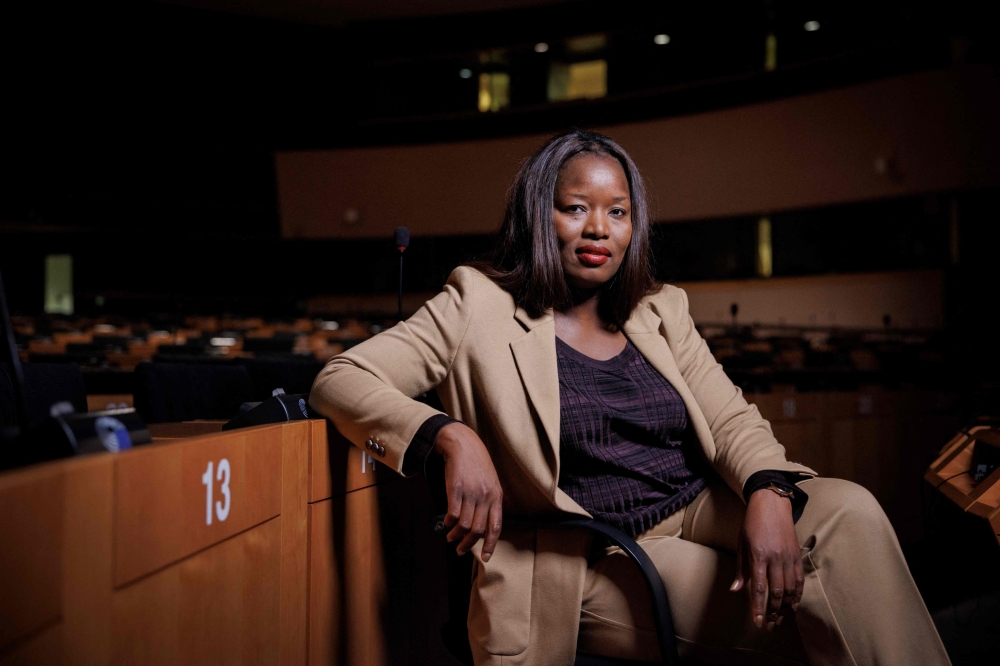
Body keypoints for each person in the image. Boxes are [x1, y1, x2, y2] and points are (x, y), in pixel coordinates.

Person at [309, 130, 950, 666]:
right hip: (595, 545)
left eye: (618, 211)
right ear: (540, 213)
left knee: (850, 511)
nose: (599, 229)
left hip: (696, 504)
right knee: (816, 600)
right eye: (575, 207)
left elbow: (729, 417)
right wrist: (451, 435)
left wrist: (768, 491)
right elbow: (340, 377)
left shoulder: (659, 308)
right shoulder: (476, 304)